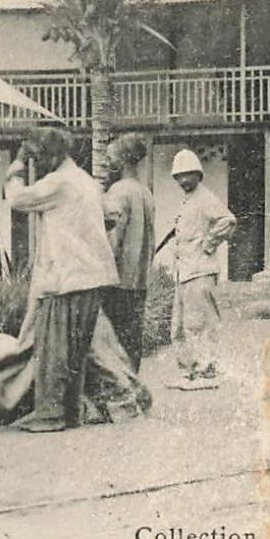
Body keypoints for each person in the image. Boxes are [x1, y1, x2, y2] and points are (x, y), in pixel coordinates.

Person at [3, 125, 119, 432]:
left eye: (37, 158)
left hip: (65, 276)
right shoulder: (86, 182)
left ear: (51, 156)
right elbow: (112, 215)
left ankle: (50, 414)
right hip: (92, 275)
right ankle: (70, 413)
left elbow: (17, 200)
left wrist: (15, 168)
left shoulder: (58, 183)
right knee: (76, 352)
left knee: (53, 348)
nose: (36, 165)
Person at [168, 148, 238, 390]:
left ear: (199, 175)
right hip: (184, 272)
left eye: (189, 175)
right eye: (179, 176)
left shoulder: (205, 197)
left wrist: (208, 244)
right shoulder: (188, 201)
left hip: (200, 271)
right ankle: (187, 371)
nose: (184, 180)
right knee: (179, 326)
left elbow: (227, 221)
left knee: (199, 324)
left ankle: (207, 371)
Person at [100, 133, 154, 371]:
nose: (107, 163)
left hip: (117, 282)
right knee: (133, 343)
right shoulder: (145, 192)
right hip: (139, 281)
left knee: (114, 347)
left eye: (110, 157)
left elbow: (112, 240)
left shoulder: (119, 192)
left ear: (123, 160)